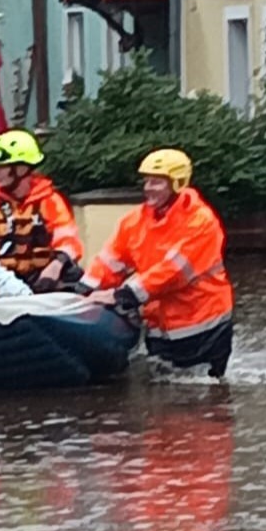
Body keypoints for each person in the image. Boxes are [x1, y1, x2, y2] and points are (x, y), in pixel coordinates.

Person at [77, 148, 234, 378]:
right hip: (159, 326)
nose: (147, 188)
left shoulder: (201, 222)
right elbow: (111, 259)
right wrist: (85, 288)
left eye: (156, 182)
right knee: (162, 395)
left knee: (204, 396)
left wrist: (121, 295)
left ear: (177, 183)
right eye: (146, 181)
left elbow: (172, 273)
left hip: (203, 322)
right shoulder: (135, 221)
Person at [0, 129, 84, 293]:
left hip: (45, 281)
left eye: (1, 166)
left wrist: (55, 267)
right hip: (2, 282)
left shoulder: (50, 200)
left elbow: (68, 242)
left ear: (21, 168)